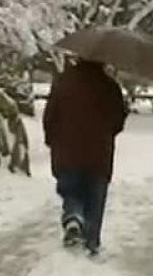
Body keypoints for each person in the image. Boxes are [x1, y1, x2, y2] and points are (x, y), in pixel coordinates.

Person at [43, 58, 126, 255]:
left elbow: (50, 116)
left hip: (67, 151)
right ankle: (91, 245)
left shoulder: (63, 82)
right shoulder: (109, 86)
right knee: (95, 199)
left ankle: (73, 215)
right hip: (99, 155)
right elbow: (118, 121)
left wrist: (52, 140)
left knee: (70, 190)